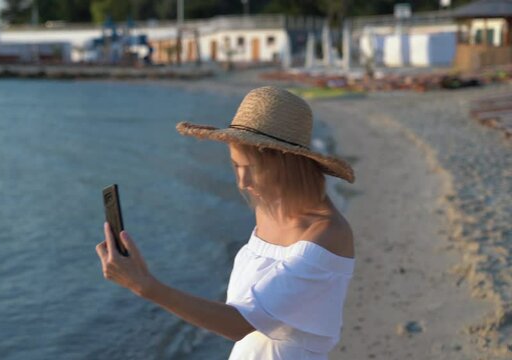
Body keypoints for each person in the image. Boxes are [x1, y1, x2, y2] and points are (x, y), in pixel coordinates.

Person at [95, 86, 356, 359]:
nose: (242, 183)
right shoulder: (268, 209)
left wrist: (145, 286)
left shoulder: (327, 234)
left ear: (287, 162)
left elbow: (242, 324)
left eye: (252, 169)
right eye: (235, 167)